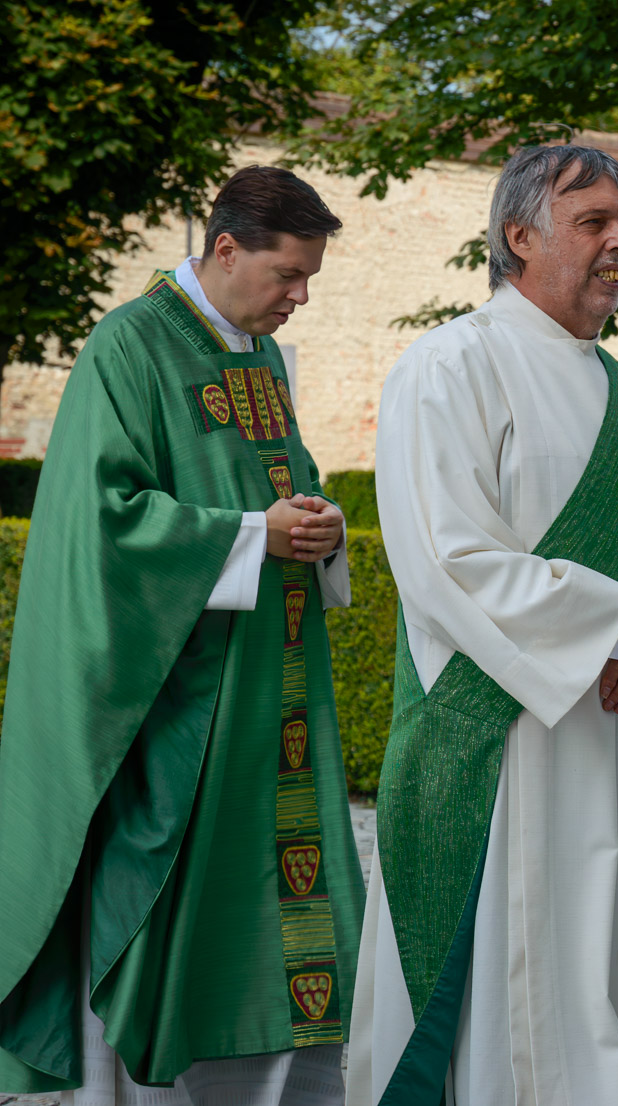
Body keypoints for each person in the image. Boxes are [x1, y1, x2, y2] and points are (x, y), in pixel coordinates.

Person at [350, 143, 618, 1105]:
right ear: (519, 237)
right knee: (483, 1015)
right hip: (497, 751)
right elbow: (449, 561)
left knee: (589, 989)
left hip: (605, 750)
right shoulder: (448, 367)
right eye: (593, 221)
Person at [0, 166, 362, 1104]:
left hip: (266, 699)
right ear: (226, 248)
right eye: (288, 275)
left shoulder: (263, 359)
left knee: (274, 911)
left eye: (311, 277)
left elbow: (280, 485)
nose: (301, 297)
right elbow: (102, 523)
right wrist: (254, 536)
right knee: (154, 906)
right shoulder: (129, 346)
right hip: (171, 704)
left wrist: (319, 529)